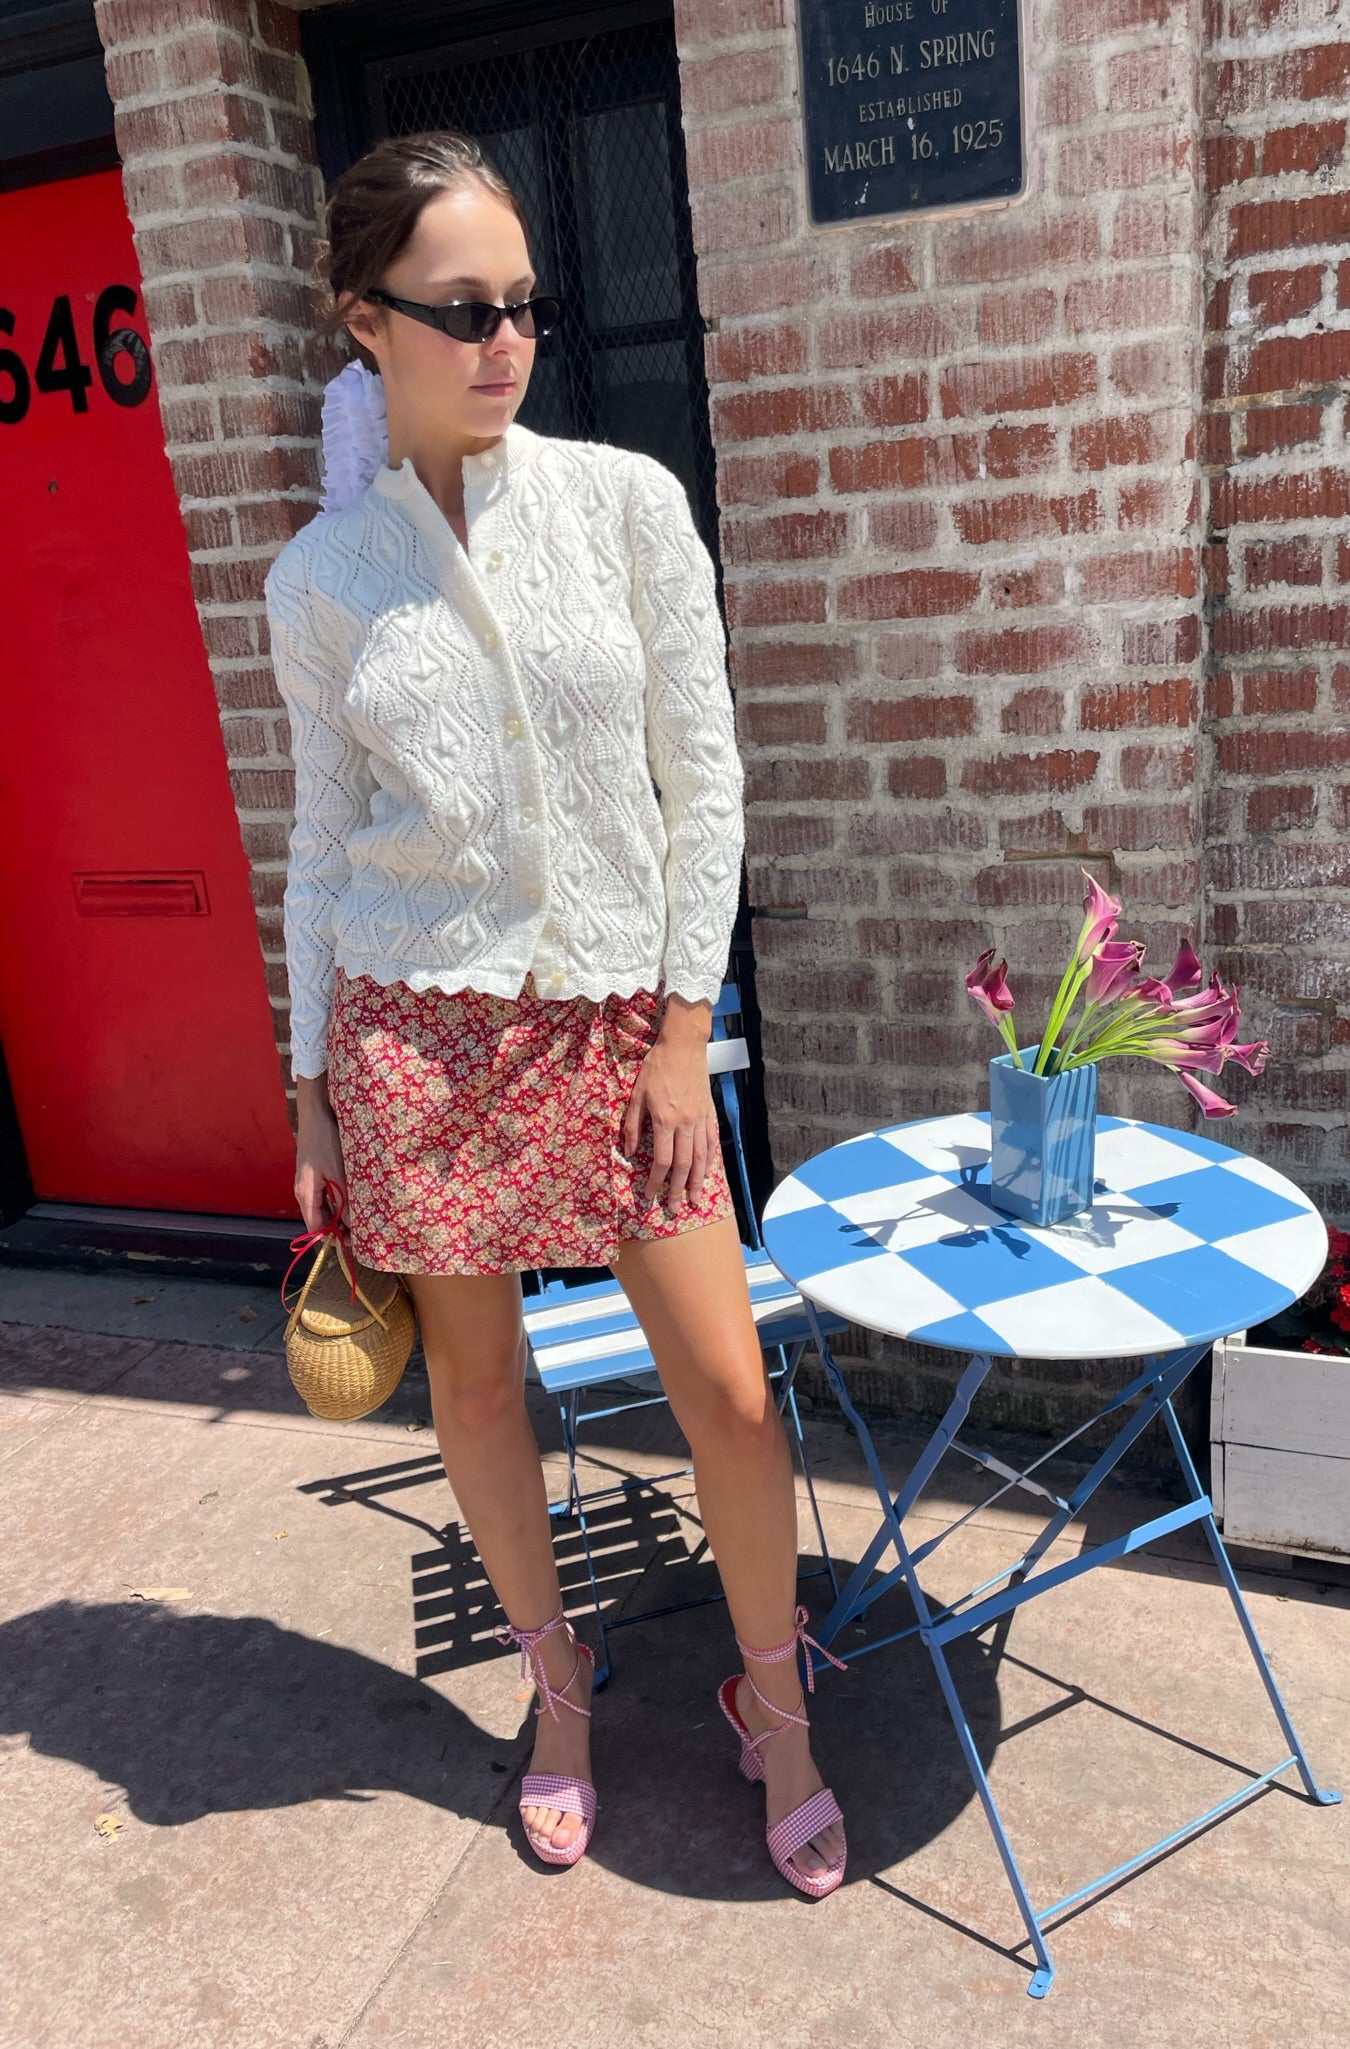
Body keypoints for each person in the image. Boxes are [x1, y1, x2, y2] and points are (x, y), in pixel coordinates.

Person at [263, 130, 845, 1898]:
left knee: (731, 1397)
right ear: (367, 321)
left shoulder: (624, 503)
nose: (506, 338)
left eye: (525, 302)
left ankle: (774, 1700)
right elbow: (315, 840)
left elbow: (708, 781)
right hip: (417, 1037)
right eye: (462, 308)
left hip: (622, 1026)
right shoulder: (321, 580)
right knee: (483, 1386)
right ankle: (560, 1687)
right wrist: (306, 1085)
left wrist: (682, 1029)